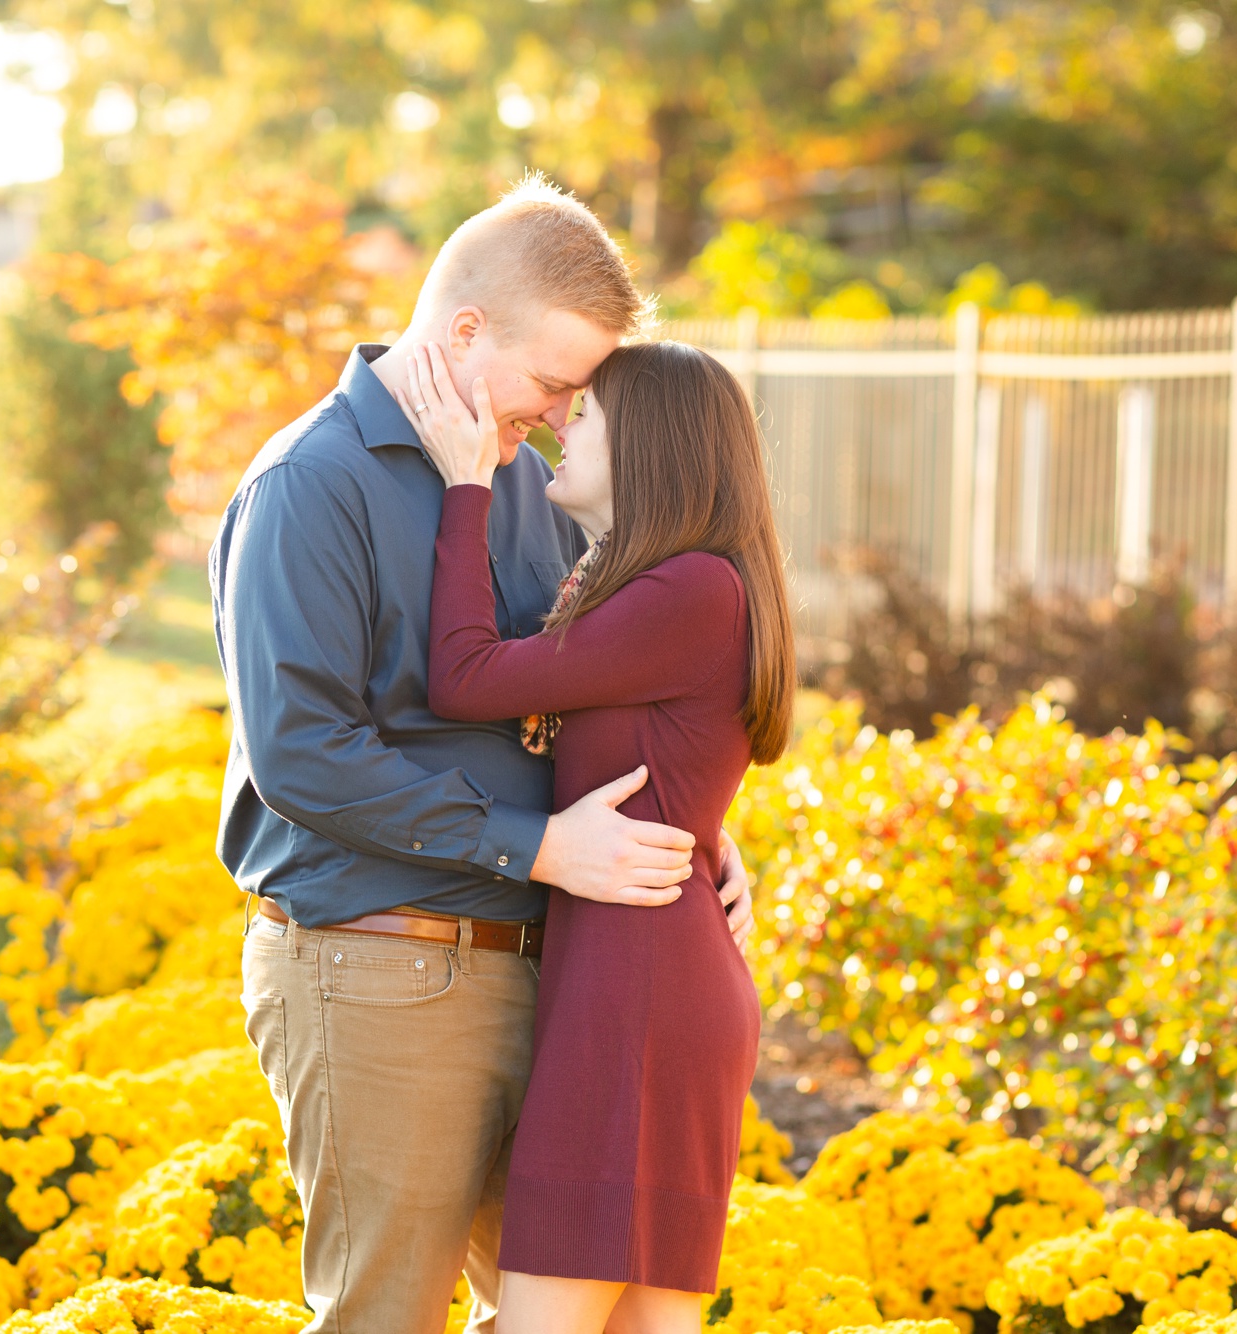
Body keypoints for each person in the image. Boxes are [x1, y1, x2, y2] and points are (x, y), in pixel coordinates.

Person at [210, 177, 754, 1334]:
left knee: (561, 1315)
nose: (563, 415)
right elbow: (299, 753)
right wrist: (540, 842)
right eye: (555, 383)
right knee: (386, 1316)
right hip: (385, 967)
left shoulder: (532, 485)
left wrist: (694, 825)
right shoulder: (311, 484)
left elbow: (596, 684)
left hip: (560, 968)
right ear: (464, 332)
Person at [399, 337, 794, 1333]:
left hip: (638, 998)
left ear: (652, 446)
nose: (564, 426)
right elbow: (662, 747)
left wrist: (464, 483)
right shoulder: (662, 586)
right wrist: (708, 835)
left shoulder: (689, 589)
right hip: (641, 974)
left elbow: (466, 678)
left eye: (592, 413)